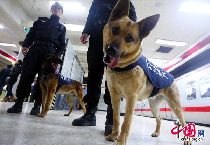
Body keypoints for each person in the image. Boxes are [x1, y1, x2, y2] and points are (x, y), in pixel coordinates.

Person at [72, 0, 137, 136]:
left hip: (116, 41)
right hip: (97, 37)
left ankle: (111, 120)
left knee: (113, 80)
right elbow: (91, 16)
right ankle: (90, 115)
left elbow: (132, 24)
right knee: (94, 76)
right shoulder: (98, 1)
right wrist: (86, 31)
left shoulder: (127, 2)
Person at [7, 2, 66, 115]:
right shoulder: (40, 21)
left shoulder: (62, 28)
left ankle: (37, 106)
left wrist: (55, 58)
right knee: (26, 76)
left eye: (59, 9)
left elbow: (62, 46)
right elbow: (30, 35)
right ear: (51, 10)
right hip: (35, 50)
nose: (56, 10)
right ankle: (18, 103)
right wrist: (25, 45)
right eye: (54, 8)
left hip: (49, 55)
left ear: (61, 12)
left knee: (42, 80)